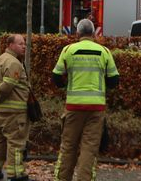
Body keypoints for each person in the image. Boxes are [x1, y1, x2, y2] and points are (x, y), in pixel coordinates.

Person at [52, 18, 119, 181]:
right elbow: (113, 81)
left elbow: (56, 77)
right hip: (96, 109)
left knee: (68, 147)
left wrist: (67, 82)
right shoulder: (104, 52)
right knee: (89, 149)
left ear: (78, 33)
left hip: (74, 107)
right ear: (93, 34)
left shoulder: (68, 50)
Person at [0, 33, 32, 181]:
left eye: (24, 43)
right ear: (10, 45)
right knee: (16, 143)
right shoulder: (14, 63)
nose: (24, 46)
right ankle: (17, 175)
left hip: (0, 111)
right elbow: (8, 85)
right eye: (20, 44)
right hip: (14, 113)